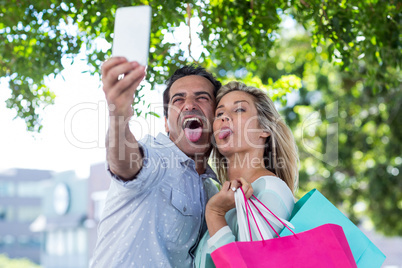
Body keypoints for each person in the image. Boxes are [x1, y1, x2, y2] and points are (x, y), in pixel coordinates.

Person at [90, 57, 222, 267]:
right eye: (178, 99)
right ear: (166, 123)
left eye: (202, 98)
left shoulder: (212, 193)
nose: (189, 105)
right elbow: (126, 164)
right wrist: (119, 116)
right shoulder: (156, 155)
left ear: (217, 118)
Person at [194, 81, 299, 267]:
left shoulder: (270, 190)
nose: (225, 117)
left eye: (239, 110)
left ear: (264, 129)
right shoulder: (223, 198)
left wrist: (215, 214)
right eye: (219, 113)